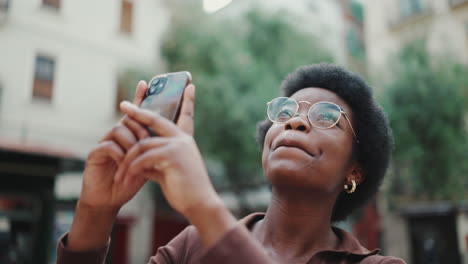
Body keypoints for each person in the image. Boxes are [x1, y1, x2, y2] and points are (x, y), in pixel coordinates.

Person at [56, 64, 406, 264]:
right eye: (284, 112)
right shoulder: (190, 247)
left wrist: (203, 205)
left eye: (327, 117)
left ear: (355, 170)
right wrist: (96, 210)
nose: (294, 122)